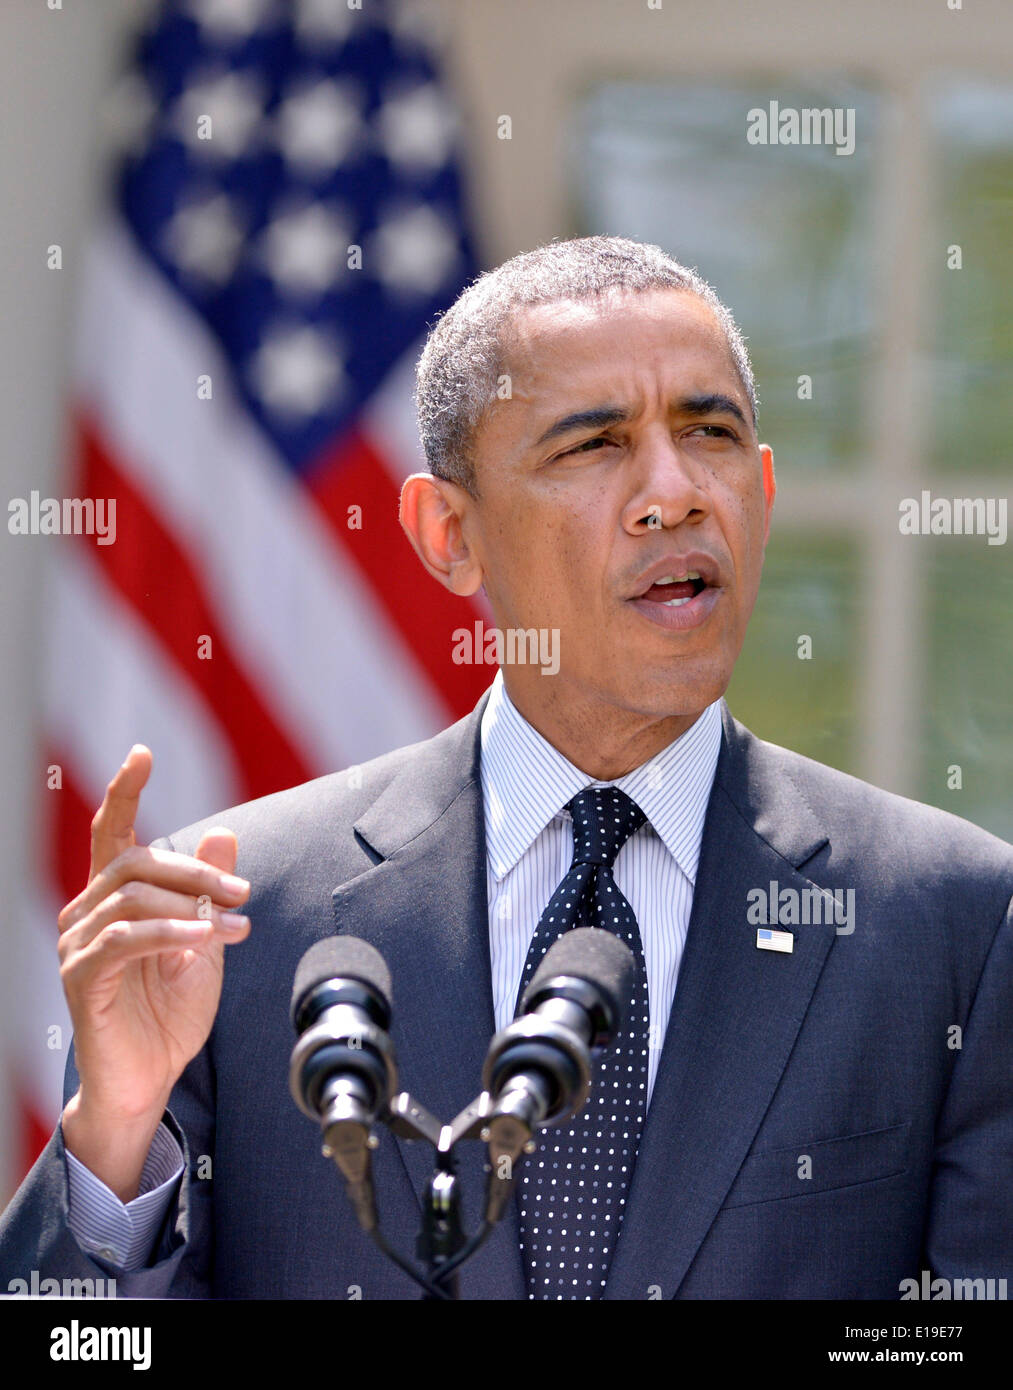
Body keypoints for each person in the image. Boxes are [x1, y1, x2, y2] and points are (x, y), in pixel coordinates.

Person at [2, 236, 1011, 1300]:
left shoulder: (947, 923)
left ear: (757, 492)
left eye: (707, 434)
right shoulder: (238, 924)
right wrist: (112, 1132)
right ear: (447, 534)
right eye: (592, 446)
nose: (670, 493)